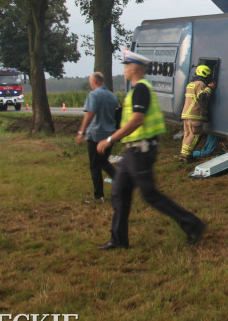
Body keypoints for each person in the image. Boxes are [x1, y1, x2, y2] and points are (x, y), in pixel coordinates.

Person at [96, 49, 206, 249]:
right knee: (119, 193)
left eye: (127, 66)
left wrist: (111, 138)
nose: (125, 70)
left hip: (142, 151)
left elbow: (137, 120)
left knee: (150, 195)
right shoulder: (136, 90)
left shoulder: (141, 90)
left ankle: (193, 225)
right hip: (132, 151)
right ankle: (118, 240)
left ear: (135, 68)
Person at [76, 72, 118, 201]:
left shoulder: (93, 95)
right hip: (109, 135)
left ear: (95, 82)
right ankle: (122, 181)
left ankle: (98, 195)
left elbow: (90, 114)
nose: (90, 85)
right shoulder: (113, 96)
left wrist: (81, 132)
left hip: (95, 134)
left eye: (90, 82)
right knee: (104, 162)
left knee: (95, 166)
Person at [179, 65, 216, 164]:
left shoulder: (191, 84)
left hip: (186, 115)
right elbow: (202, 97)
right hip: (195, 115)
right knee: (194, 135)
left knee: (187, 134)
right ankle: (187, 156)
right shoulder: (200, 84)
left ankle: (183, 154)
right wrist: (210, 87)